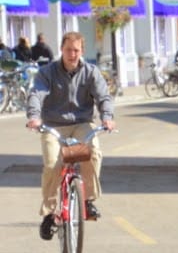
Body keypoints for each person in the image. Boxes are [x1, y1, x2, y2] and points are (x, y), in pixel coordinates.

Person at [26, 31, 115, 240]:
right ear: (61, 50)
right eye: (68, 50)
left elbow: (103, 97)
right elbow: (36, 94)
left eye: (76, 50)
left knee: (93, 152)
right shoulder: (47, 72)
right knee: (52, 165)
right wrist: (34, 117)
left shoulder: (91, 72)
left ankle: (88, 200)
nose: (72, 54)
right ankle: (49, 213)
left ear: (82, 51)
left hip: (81, 124)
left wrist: (107, 118)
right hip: (53, 126)